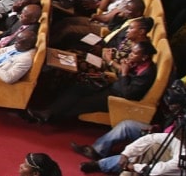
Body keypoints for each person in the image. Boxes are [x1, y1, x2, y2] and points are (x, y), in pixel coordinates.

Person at [25, 40, 157, 123]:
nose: (130, 55)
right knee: (79, 86)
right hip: (111, 85)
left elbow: (128, 93)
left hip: (117, 98)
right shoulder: (138, 63)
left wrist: (124, 72)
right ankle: (49, 111)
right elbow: (123, 73)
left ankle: (50, 116)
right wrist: (120, 67)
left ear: (144, 57)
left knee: (82, 102)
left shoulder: (147, 73)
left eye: (134, 54)